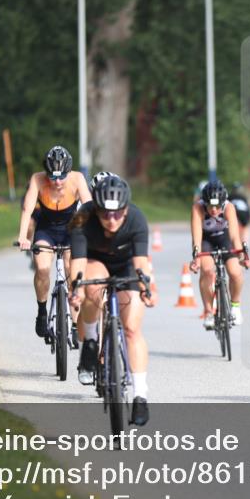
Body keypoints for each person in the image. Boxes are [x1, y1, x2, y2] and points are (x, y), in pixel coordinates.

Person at [69, 175, 155, 425]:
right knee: (92, 286)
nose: (112, 219)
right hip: (95, 262)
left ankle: (140, 396)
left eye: (118, 213)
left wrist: (147, 287)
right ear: (95, 209)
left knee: (131, 328)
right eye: (105, 214)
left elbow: (141, 262)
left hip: (127, 264)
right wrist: (76, 290)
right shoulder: (82, 219)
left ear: (126, 208)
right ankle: (91, 340)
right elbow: (78, 264)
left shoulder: (137, 219)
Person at [17, 146, 92, 338]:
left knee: (72, 271)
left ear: (69, 171)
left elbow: (89, 207)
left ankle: (75, 325)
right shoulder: (37, 179)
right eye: (53, 177)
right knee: (42, 269)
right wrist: (23, 236)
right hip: (47, 229)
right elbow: (27, 209)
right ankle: (42, 311)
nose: (57, 182)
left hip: (71, 229)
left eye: (62, 177)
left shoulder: (77, 179)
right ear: (46, 173)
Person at [190, 180, 250, 329]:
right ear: (205, 202)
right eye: (211, 206)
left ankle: (235, 306)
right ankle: (209, 312)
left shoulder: (229, 207)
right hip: (206, 241)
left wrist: (242, 256)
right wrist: (196, 258)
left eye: (218, 206)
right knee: (207, 271)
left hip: (224, 239)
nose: (214, 210)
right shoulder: (198, 208)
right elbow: (196, 237)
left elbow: (235, 237)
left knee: (235, 272)